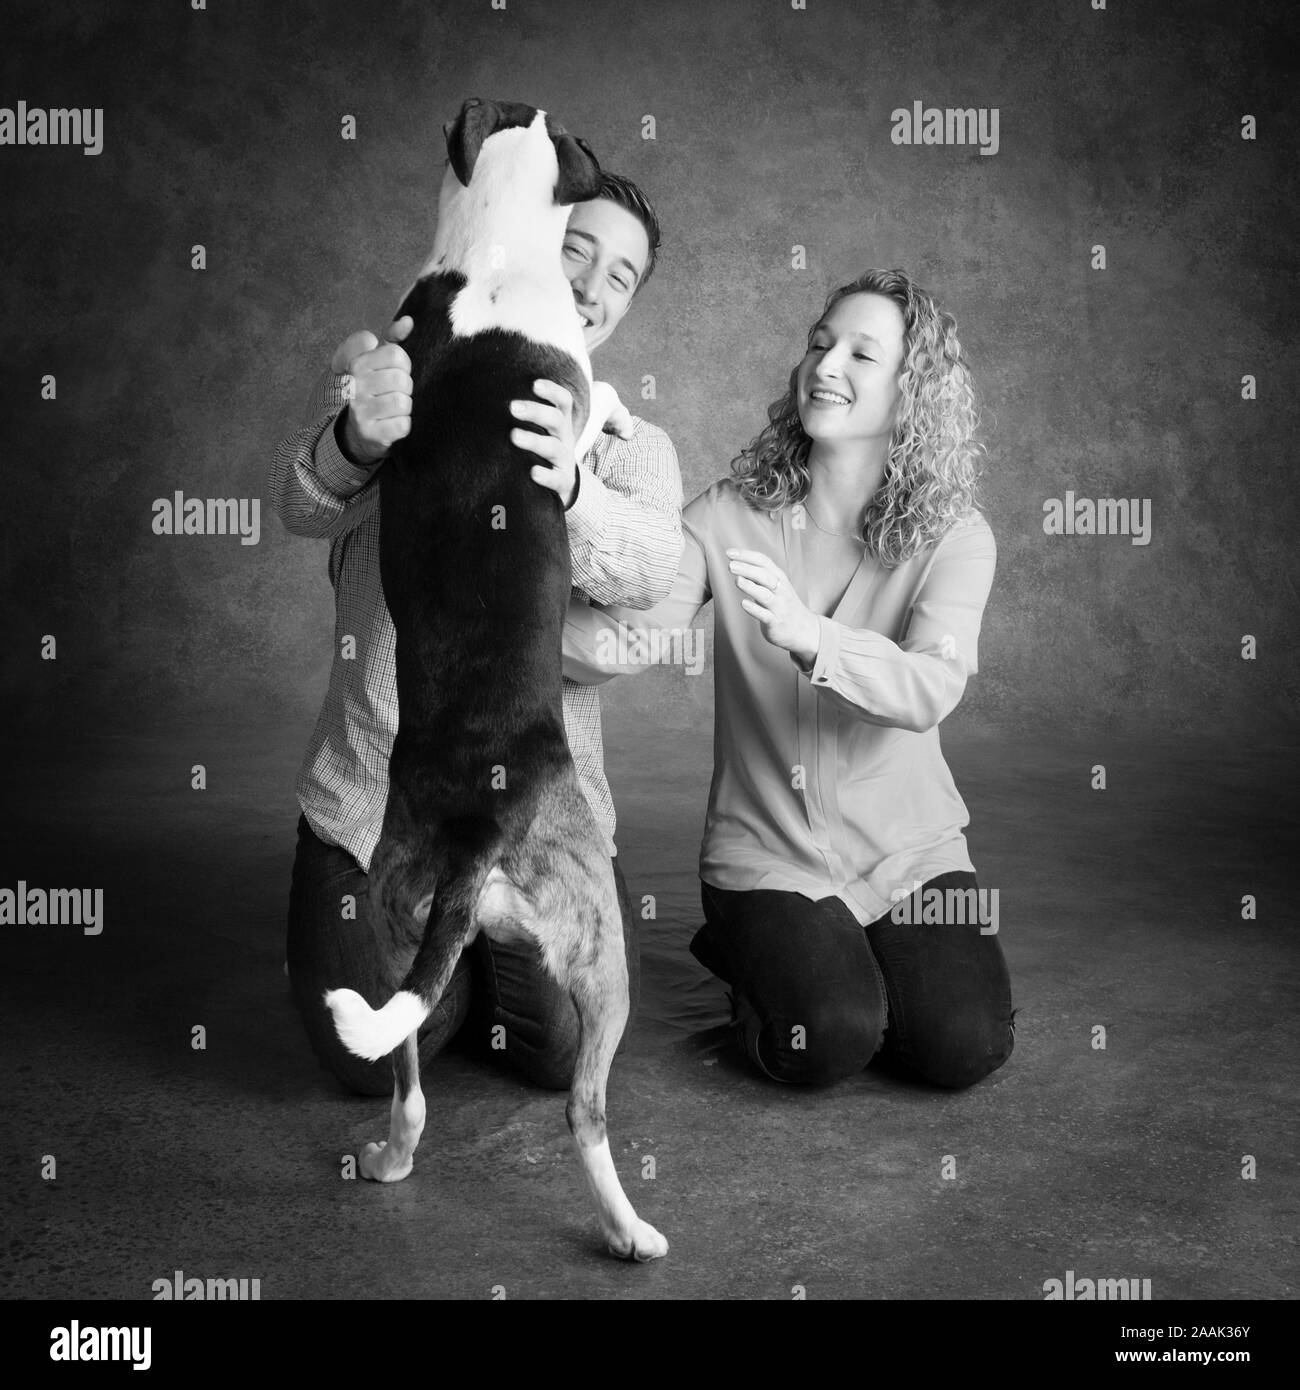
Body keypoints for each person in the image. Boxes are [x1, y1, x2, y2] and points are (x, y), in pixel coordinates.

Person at [269, 172, 683, 1096]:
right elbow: (298, 507)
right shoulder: (410, 369)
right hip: (378, 803)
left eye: (621, 276)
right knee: (365, 1062)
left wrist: (573, 488)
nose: (591, 287)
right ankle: (449, 980)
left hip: (538, 813)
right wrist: (358, 437)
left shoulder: (626, 445)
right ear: (525, 243)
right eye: (576, 249)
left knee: (565, 1052)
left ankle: (482, 953)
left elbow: (656, 569)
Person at [562, 268, 1015, 1089]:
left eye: (860, 354)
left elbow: (930, 688)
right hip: (765, 853)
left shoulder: (958, 537)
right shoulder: (728, 515)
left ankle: (857, 963)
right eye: (818, 342)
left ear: (913, 395)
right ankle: (753, 954)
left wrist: (815, 639)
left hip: (911, 854)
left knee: (965, 1048)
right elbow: (628, 638)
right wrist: (505, 632)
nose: (825, 364)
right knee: (830, 1039)